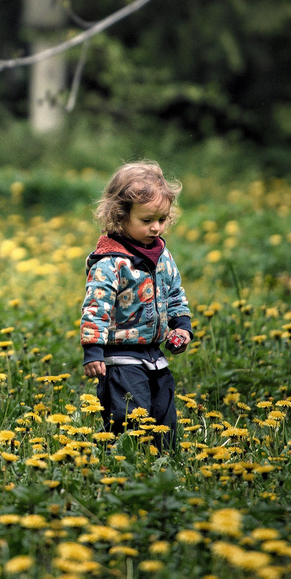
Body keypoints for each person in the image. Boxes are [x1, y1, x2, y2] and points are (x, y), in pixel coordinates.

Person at [80, 160, 192, 450]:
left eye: (162, 219)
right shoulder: (110, 263)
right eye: (147, 220)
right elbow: (96, 307)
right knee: (131, 420)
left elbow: (175, 292)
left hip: (155, 354)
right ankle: (129, 466)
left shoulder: (162, 255)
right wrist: (93, 350)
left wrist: (181, 326)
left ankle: (164, 464)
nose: (156, 227)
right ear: (120, 216)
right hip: (121, 359)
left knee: (164, 417)